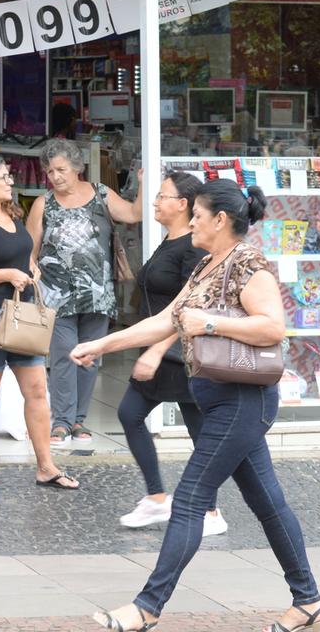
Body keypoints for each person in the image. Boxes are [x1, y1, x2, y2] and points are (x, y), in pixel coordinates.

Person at [71, 179, 320, 632]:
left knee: (188, 498)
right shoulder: (207, 264)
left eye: (198, 216)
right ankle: (308, 599)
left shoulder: (249, 265)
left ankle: (147, 607)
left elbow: (273, 329)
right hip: (218, 399)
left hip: (242, 401)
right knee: (267, 500)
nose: (192, 222)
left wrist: (210, 321)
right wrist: (101, 343)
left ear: (220, 220)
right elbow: (163, 321)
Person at [0, 154, 79, 493]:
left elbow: (23, 253)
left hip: (21, 316)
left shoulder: (12, 214)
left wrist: (30, 267)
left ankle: (46, 465)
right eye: (4, 177)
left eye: (9, 176)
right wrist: (7, 274)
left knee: (36, 389)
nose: (10, 181)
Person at [116, 173, 226, 537]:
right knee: (131, 414)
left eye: (162, 196)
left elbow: (187, 307)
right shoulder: (170, 240)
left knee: (200, 430)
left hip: (182, 353)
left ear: (183, 204)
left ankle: (209, 510)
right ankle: (158, 497)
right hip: (164, 349)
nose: (155, 202)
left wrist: (156, 348)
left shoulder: (192, 249)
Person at [25, 138, 143, 445]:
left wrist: (144, 184)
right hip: (56, 294)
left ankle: (79, 420)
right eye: (50, 171)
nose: (56, 177)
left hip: (96, 293)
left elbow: (132, 214)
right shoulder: (43, 204)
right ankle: (62, 421)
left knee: (90, 356)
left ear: (77, 167)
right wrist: (32, 272)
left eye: (61, 169)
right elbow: (30, 250)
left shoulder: (101, 194)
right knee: (64, 354)